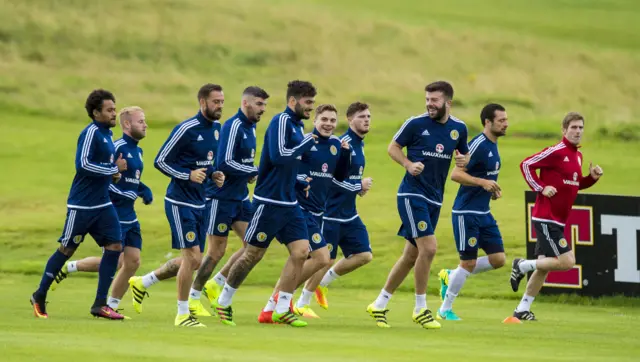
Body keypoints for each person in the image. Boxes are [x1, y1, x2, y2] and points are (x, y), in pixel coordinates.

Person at [211, 80, 318, 327]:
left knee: (301, 252)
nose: (311, 107)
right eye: (308, 102)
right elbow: (279, 156)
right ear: (293, 101)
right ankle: (224, 300)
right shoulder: (281, 121)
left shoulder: (297, 126)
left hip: (289, 203)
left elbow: (288, 165)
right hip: (268, 203)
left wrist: (299, 181)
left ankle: (281, 308)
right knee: (253, 254)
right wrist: (307, 142)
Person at [367, 81, 468, 329]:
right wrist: (408, 164)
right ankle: (420, 308)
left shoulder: (459, 128)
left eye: (434, 100)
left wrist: (464, 160)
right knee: (430, 248)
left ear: (448, 103)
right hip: (412, 195)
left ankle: (379, 304)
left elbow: (463, 158)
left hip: (435, 198)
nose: (429, 104)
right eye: (427, 99)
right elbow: (393, 147)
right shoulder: (416, 123)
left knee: (411, 255)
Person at [30, 89, 128, 320]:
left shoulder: (107, 135)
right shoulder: (91, 133)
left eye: (115, 109)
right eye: (109, 110)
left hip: (102, 204)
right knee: (67, 248)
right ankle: (40, 294)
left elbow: (102, 168)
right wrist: (113, 169)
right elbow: (82, 165)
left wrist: (113, 175)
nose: (114, 113)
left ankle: (100, 304)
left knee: (115, 246)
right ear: (95, 113)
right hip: (82, 206)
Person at [49, 107, 153, 318]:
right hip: (115, 211)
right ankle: (74, 270)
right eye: (140, 121)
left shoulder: (138, 151)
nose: (145, 125)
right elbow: (106, 179)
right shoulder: (117, 147)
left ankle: (111, 305)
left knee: (132, 261)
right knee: (115, 261)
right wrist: (123, 193)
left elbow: (130, 179)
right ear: (126, 124)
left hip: (130, 214)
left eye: (145, 121)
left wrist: (143, 189)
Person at [257, 104, 351, 323]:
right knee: (321, 257)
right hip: (300, 209)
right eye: (324, 120)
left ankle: (272, 307)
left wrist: (345, 154)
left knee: (306, 259)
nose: (328, 124)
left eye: (332, 120)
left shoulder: (337, 145)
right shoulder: (306, 142)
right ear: (315, 121)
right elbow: (290, 169)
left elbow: (340, 177)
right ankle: (280, 303)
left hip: (318, 212)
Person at [509, 112, 603, 321]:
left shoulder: (577, 155)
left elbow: (574, 185)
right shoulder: (557, 151)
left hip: (557, 221)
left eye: (580, 127)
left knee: (544, 267)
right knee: (567, 261)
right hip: (546, 218)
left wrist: (592, 179)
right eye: (573, 128)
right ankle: (522, 265)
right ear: (564, 130)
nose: (578, 131)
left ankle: (522, 309)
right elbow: (526, 165)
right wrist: (541, 187)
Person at [186, 86, 269, 315]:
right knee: (216, 251)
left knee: (253, 246)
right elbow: (224, 163)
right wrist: (252, 171)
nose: (263, 109)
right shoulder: (233, 126)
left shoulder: (251, 128)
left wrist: (249, 173)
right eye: (259, 104)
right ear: (246, 104)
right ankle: (193, 298)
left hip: (240, 198)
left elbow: (239, 165)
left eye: (264, 105)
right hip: (219, 198)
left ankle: (217, 283)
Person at [150, 84, 225, 327]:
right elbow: (160, 161)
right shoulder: (186, 129)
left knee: (193, 260)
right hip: (179, 201)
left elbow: (207, 162)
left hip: (200, 202)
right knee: (192, 257)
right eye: (215, 102)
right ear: (202, 102)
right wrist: (187, 175)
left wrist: (214, 175)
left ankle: (145, 281)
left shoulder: (216, 129)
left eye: (222, 101)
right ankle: (183, 314)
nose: (220, 106)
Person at [436, 103, 508, 320]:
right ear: (488, 122)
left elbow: (485, 180)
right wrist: (482, 182)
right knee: (468, 262)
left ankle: (451, 275)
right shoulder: (477, 144)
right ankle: (444, 309)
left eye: (506, 119)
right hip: (466, 213)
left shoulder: (494, 146)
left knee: (498, 259)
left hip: (484, 213)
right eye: (501, 120)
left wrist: (491, 190)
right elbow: (456, 174)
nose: (506, 124)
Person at [302, 102, 373, 312]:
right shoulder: (342, 144)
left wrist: (356, 188)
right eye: (361, 116)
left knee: (364, 255)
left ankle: (321, 284)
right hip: (331, 213)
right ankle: (301, 302)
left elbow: (347, 177)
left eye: (369, 116)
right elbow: (330, 179)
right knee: (324, 259)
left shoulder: (359, 144)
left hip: (349, 213)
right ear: (350, 120)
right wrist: (357, 186)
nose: (367, 120)